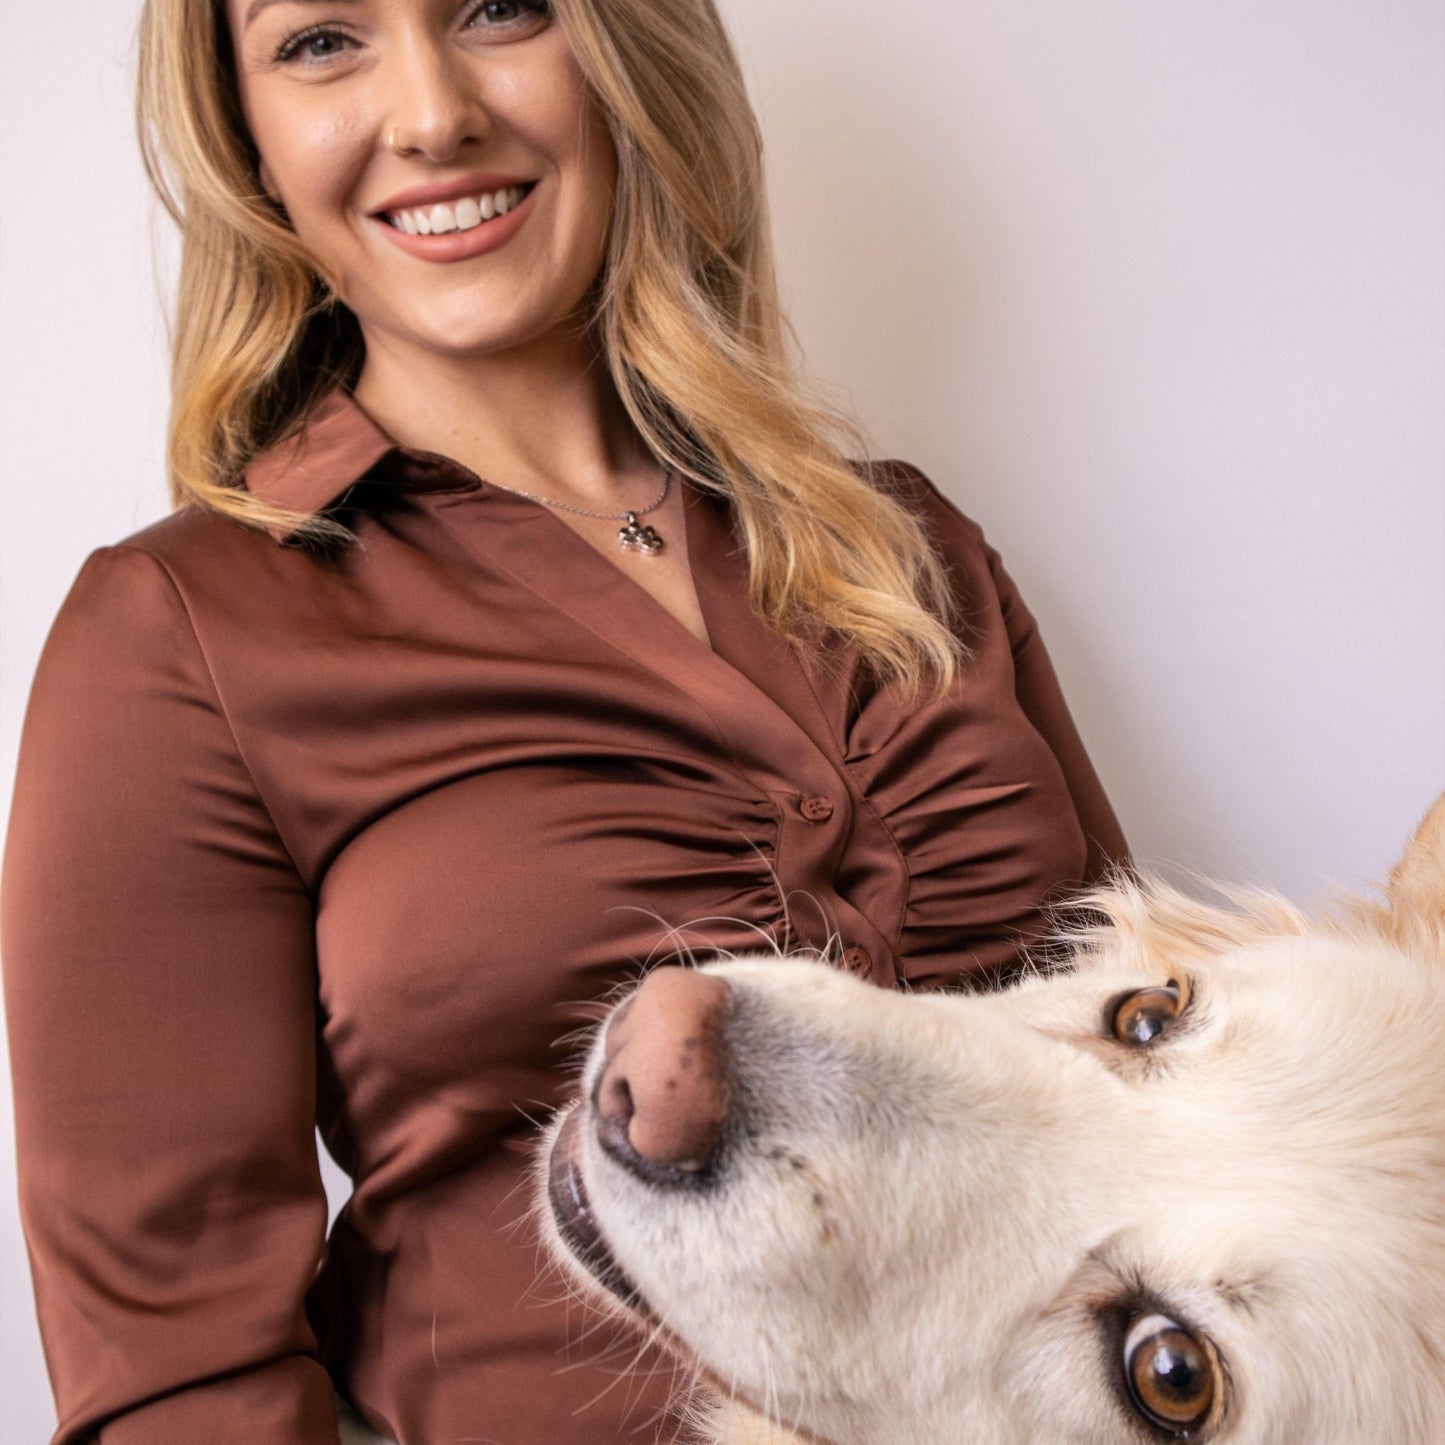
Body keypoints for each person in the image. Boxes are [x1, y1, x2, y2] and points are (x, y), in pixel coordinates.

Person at [0, 0, 1127, 1441]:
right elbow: (178, 1375)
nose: (430, 112)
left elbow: (1154, 1082)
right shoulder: (176, 635)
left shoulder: (912, 544)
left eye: (499, 9)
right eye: (319, 42)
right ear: (249, 139)